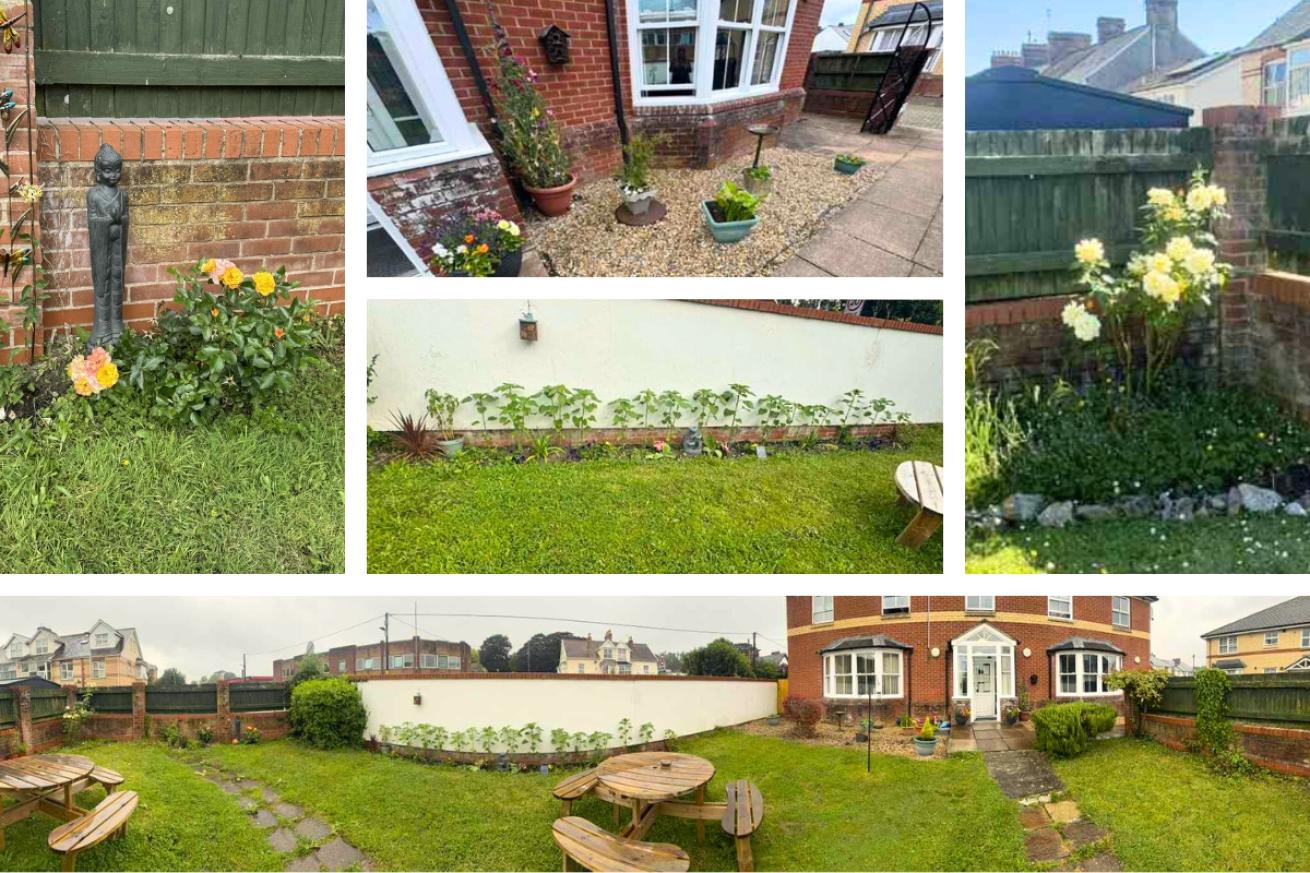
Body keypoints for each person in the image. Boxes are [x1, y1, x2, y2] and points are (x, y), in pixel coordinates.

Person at [87, 143, 129, 348]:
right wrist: (108, 220)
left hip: (117, 246)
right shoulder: (94, 195)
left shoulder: (123, 195)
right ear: (98, 171)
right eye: (108, 170)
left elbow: (125, 218)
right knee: (103, 285)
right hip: (102, 249)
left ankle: (116, 326)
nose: (113, 175)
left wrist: (120, 219)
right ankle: (102, 329)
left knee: (117, 283)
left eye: (117, 170)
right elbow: (93, 220)